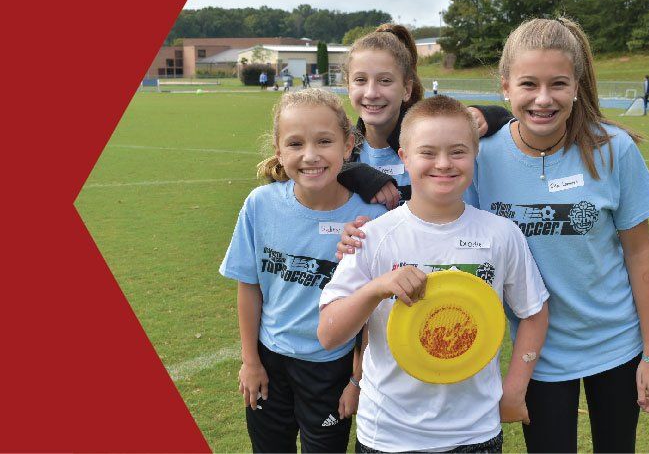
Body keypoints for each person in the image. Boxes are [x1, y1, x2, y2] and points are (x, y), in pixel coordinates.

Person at [338, 17, 649, 452]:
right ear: (506, 86)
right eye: (529, 84)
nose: (543, 99)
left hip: (617, 347)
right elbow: (435, 214)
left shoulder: (612, 149)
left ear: (577, 84)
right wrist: (361, 232)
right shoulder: (483, 154)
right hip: (539, 355)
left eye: (559, 84)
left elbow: (640, 255)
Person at [318, 95, 550, 453]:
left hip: (475, 434)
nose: (443, 164)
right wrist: (375, 289)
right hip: (388, 435)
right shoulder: (372, 237)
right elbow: (329, 335)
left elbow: (533, 312)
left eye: (457, 151)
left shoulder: (501, 235)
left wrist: (515, 388)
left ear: (475, 155)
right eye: (427, 152)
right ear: (404, 158)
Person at [219, 88, 388, 453]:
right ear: (279, 150)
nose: (310, 156)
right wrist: (251, 363)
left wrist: (356, 380)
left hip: (331, 368)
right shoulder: (260, 205)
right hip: (269, 362)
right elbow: (249, 287)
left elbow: (374, 311)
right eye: (295, 144)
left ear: (348, 146)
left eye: (324, 141)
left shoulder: (371, 219)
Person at [336, 24, 513, 208]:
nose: (371, 93)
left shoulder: (432, 139)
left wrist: (489, 115)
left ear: (406, 89)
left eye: (385, 81)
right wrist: (351, 171)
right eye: (360, 80)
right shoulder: (343, 152)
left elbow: (514, 124)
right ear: (348, 87)